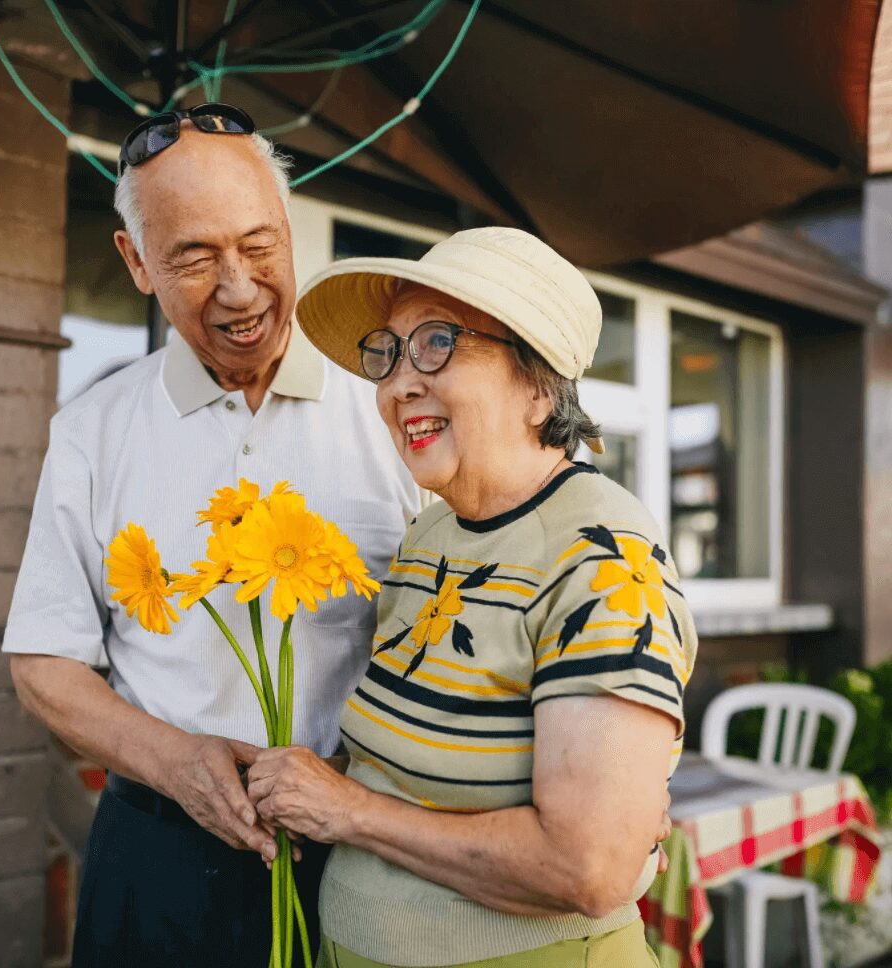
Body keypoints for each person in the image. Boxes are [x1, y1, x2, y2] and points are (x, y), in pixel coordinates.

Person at [2, 104, 419, 967]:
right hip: (157, 858)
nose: (239, 289)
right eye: (193, 258)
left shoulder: (395, 408)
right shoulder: (91, 431)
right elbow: (43, 663)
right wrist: (176, 762)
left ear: (290, 230)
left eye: (260, 245)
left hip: (365, 854)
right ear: (136, 262)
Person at [247, 227, 697, 967]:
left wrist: (348, 811)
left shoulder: (603, 558)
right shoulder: (430, 536)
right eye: (388, 353)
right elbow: (415, 768)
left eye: (437, 343)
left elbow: (589, 868)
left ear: (538, 386)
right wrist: (311, 781)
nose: (398, 384)